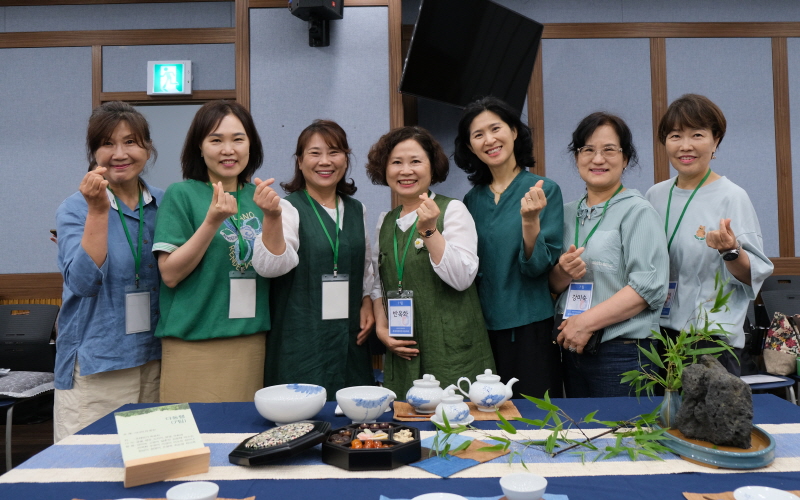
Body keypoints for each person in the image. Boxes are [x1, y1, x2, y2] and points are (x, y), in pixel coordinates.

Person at [153, 100, 294, 403]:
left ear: (250, 145)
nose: (228, 149)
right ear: (199, 148)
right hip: (194, 342)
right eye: (216, 140)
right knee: (195, 442)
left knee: (243, 439)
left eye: (237, 139)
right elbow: (170, 274)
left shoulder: (262, 198)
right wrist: (212, 221)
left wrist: (273, 216)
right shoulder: (182, 194)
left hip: (251, 340)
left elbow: (277, 263)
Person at [54, 102, 162, 441]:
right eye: (107, 143)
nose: (120, 153)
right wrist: (98, 211)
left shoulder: (164, 203)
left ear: (147, 148)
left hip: (155, 358)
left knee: (151, 467)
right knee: (89, 469)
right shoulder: (75, 207)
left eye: (131, 142)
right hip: (98, 362)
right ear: (94, 152)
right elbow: (83, 283)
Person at [645, 94, 773, 376]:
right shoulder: (655, 195)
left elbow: (754, 273)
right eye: (675, 135)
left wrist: (730, 251)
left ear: (716, 141)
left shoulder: (732, 196)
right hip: (659, 336)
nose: (685, 145)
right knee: (664, 420)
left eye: (698, 135)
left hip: (710, 342)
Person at [366, 126, 495, 396]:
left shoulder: (453, 211)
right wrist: (381, 326)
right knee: (406, 430)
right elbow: (377, 282)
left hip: (450, 349)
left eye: (416, 161)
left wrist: (429, 231)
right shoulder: (385, 222)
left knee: (456, 430)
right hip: (403, 346)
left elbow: (461, 279)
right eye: (396, 162)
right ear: (384, 168)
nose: (406, 170)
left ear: (432, 167)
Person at [550, 112, 669, 397]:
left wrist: (584, 323)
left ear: (625, 158)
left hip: (622, 353)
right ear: (577, 156)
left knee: (627, 440)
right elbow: (552, 286)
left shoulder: (637, 211)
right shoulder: (565, 213)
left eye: (609, 150)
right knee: (583, 438)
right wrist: (561, 274)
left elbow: (648, 287)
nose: (598, 159)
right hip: (572, 348)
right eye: (587, 150)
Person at [252, 120, 374, 398]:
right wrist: (271, 217)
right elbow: (270, 267)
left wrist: (367, 298)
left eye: (334, 152)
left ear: (346, 158)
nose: (325, 161)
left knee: (351, 422)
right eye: (314, 153)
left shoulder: (357, 210)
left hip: (349, 337)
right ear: (299, 160)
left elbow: (366, 265)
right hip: (301, 338)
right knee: (301, 421)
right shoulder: (287, 207)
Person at [453, 96, 562, 399]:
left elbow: (538, 266)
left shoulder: (544, 189)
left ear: (514, 131)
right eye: (478, 135)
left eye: (495, 128)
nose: (489, 140)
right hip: (479, 329)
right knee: (484, 419)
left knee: (533, 419)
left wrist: (530, 222)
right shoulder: (471, 201)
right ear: (471, 146)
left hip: (529, 328)